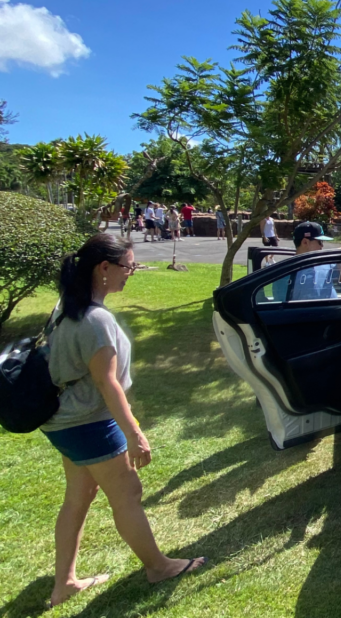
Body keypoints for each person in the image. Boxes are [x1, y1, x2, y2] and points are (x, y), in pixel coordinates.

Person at [40, 235, 206, 607]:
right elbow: (106, 382)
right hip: (89, 423)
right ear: (103, 268)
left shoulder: (66, 307)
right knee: (127, 494)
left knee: (78, 497)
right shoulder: (95, 320)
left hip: (63, 422)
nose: (130, 273)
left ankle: (64, 582)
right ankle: (158, 567)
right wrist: (134, 434)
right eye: (127, 266)